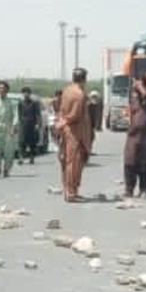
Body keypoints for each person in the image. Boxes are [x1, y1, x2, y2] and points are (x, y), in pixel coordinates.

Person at [56, 68, 92, 203]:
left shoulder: (67, 90)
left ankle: (71, 191)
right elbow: (75, 115)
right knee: (74, 163)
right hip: (76, 133)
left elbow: (62, 110)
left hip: (68, 131)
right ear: (84, 79)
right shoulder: (79, 94)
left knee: (69, 162)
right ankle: (71, 192)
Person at [123, 76, 146, 198]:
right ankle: (129, 189)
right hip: (133, 136)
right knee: (130, 162)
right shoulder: (134, 98)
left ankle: (145, 189)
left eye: (137, 85)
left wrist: (141, 89)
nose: (135, 87)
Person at [0, 81, 18, 178]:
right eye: (0, 88)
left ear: (7, 90)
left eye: (3, 88)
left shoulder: (12, 102)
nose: (1, 90)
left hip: (8, 128)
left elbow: (15, 116)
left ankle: (6, 170)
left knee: (8, 151)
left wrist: (14, 127)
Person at [18, 87, 41, 165]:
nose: (26, 94)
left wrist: (37, 124)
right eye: (24, 92)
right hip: (23, 125)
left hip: (32, 125)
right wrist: (18, 123)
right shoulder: (20, 103)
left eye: (27, 92)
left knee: (32, 143)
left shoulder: (34, 103)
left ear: (30, 94)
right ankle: (21, 158)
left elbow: (38, 114)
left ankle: (32, 157)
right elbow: (19, 114)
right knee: (21, 142)